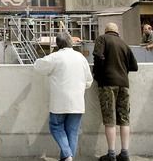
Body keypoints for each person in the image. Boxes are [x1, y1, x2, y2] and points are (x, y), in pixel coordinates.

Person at [34, 33, 93, 161]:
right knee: (72, 132)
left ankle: (67, 155)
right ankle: (67, 157)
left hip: (59, 102)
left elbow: (38, 66)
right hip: (77, 101)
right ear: (71, 43)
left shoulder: (55, 57)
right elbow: (89, 81)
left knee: (55, 126)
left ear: (58, 44)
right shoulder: (81, 57)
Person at [93, 22, 138, 161]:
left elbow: (98, 57)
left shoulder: (102, 39)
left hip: (107, 83)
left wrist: (98, 75)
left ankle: (111, 153)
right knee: (124, 119)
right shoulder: (124, 44)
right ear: (117, 32)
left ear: (106, 31)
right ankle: (125, 153)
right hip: (124, 84)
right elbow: (134, 66)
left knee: (109, 119)